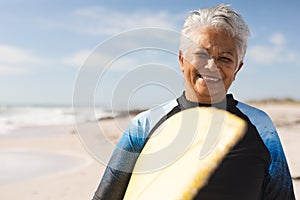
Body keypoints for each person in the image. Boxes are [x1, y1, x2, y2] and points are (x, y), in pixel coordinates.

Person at [92, 4, 295, 200]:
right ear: (182, 60)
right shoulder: (145, 125)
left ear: (237, 68)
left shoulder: (261, 127)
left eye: (225, 58)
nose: (211, 66)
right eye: (201, 54)